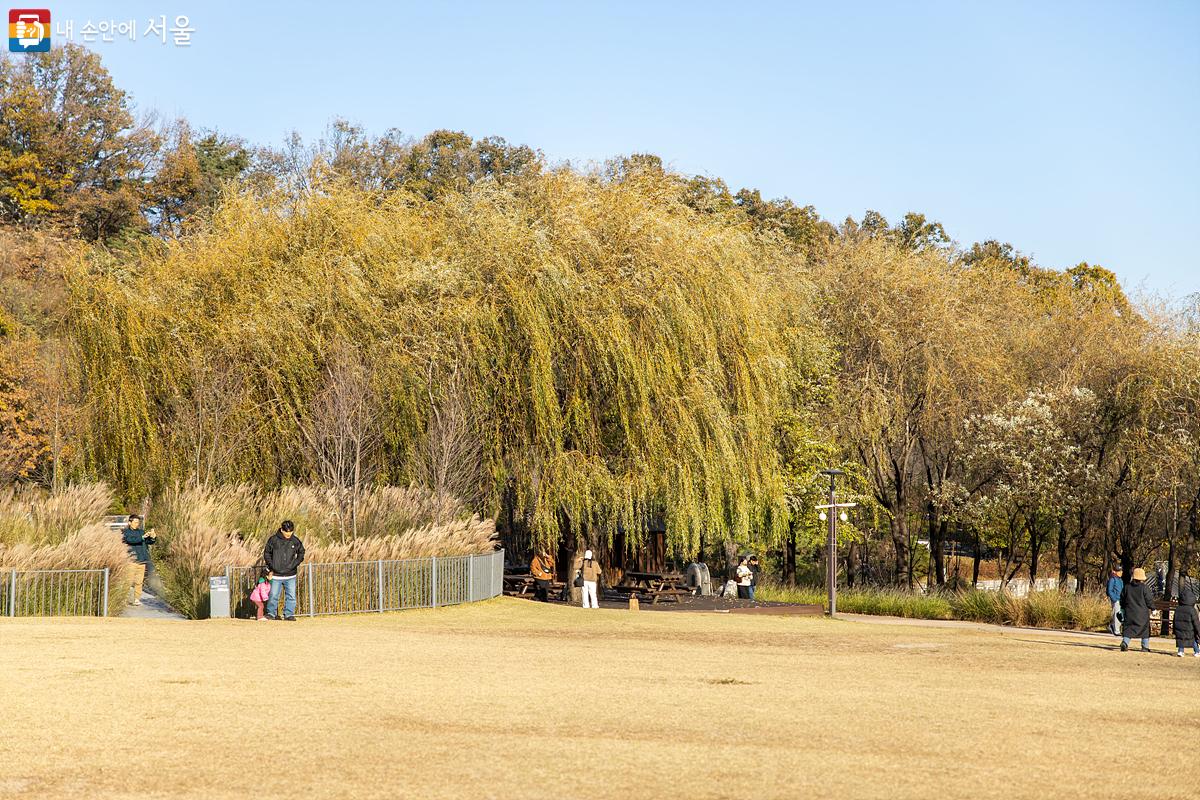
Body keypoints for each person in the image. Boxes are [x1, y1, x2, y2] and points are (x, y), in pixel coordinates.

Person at [263, 520, 305, 621]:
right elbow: (267, 553)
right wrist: (272, 566)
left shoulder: (295, 540)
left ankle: (289, 614)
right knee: (273, 595)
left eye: (290, 533)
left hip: (290, 575)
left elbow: (301, 553)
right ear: (281, 530)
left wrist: (294, 564)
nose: (288, 535)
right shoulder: (273, 540)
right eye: (286, 533)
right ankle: (271, 613)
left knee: (291, 596)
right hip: (276, 575)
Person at [121, 514, 157, 606]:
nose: (137, 524)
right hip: (131, 560)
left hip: (142, 560)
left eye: (138, 522)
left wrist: (152, 537)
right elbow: (130, 540)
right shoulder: (125, 532)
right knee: (128, 581)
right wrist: (142, 537)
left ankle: (136, 599)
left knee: (139, 581)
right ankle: (124, 599)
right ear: (130, 522)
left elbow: (148, 542)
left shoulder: (141, 531)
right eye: (135, 522)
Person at [1119, 567, 1155, 652]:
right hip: (1142, 614)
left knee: (1129, 629)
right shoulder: (1144, 588)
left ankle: (1125, 642)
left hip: (1129, 612)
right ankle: (1145, 647)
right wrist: (1153, 608)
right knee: (1145, 630)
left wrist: (1123, 608)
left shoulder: (1127, 587)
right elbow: (1149, 600)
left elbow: (1122, 599)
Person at [1173, 569, 1200, 658]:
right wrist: (1198, 632)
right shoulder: (1192, 610)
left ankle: (1180, 651)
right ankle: (1197, 651)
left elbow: (1174, 620)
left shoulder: (1178, 608)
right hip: (1190, 630)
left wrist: (1174, 630)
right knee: (1193, 640)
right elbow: (1196, 622)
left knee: (1181, 640)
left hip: (1180, 629)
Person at [1106, 567, 1124, 636]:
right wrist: (1114, 599)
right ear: (1116, 572)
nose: (1121, 572)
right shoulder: (1112, 579)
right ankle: (1116, 630)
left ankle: (1113, 626)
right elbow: (1109, 590)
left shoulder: (1120, 580)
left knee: (1119, 614)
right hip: (1116, 599)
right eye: (1120, 571)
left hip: (1121, 600)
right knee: (1117, 614)